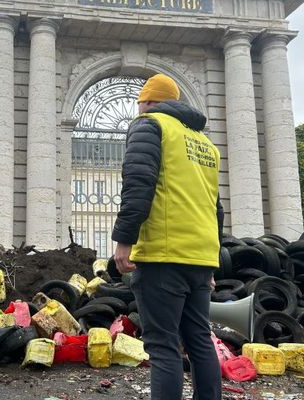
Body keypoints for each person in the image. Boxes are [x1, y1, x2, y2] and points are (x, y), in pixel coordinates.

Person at [112, 73, 224, 400]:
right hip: (201, 257)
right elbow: (215, 207)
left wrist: (124, 240)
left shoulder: (150, 126)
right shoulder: (205, 145)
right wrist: (212, 263)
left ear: (147, 102)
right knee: (200, 340)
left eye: (140, 105)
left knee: (162, 347)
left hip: (163, 256)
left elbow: (138, 185)